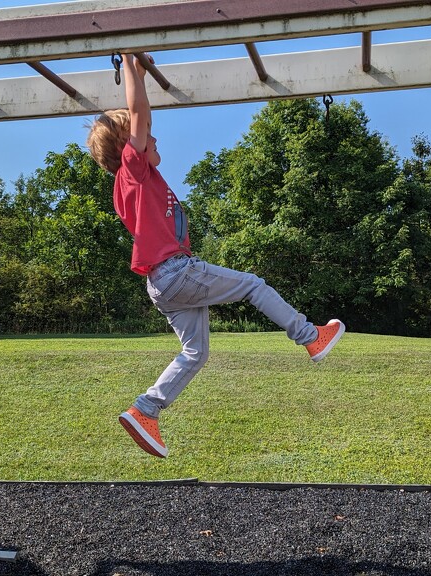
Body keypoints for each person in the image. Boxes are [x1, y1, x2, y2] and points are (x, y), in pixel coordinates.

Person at [85, 53, 345, 458]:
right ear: (128, 146)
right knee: (252, 285)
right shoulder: (131, 172)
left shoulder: (140, 179)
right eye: (147, 135)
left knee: (196, 352)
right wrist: (132, 66)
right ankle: (310, 337)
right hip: (175, 273)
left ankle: (145, 409)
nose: (154, 138)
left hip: (163, 284)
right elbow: (138, 112)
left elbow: (140, 120)